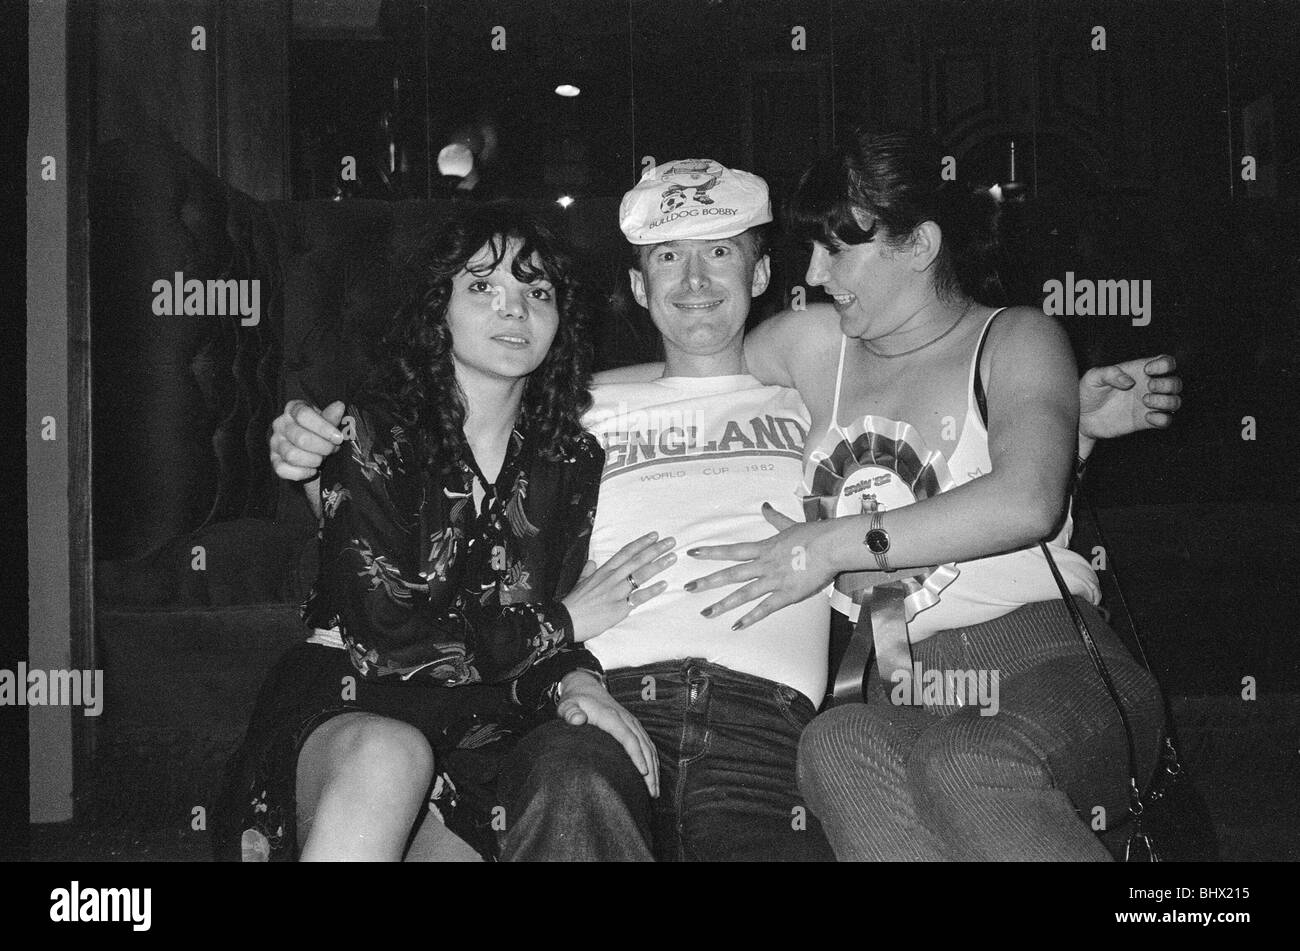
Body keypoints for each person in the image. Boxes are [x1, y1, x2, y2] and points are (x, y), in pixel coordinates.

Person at [269, 158, 1180, 861]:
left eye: (721, 254)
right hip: (601, 711)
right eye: (668, 257)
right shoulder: (569, 408)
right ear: (635, 287)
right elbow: (425, 498)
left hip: (770, 729)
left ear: (761, 274)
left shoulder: (819, 384)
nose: (695, 280)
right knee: (567, 791)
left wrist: (1070, 425)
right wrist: (320, 458)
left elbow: (954, 444)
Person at [681, 131, 1175, 860]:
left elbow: (1027, 501)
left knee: (966, 762)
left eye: (837, 248)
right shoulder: (816, 347)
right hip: (904, 687)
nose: (814, 273)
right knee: (834, 742)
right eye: (809, 249)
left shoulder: (1016, 338)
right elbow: (686, 380)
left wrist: (824, 545)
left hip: (1047, 661)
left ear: (919, 246)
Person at [216, 201, 674, 862]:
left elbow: (550, 610)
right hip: (351, 704)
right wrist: (563, 624)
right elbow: (388, 638)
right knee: (390, 756)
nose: (512, 308)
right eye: (483, 285)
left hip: (477, 733)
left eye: (535, 290)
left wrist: (576, 679)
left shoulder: (569, 459)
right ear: (438, 309)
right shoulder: (371, 430)